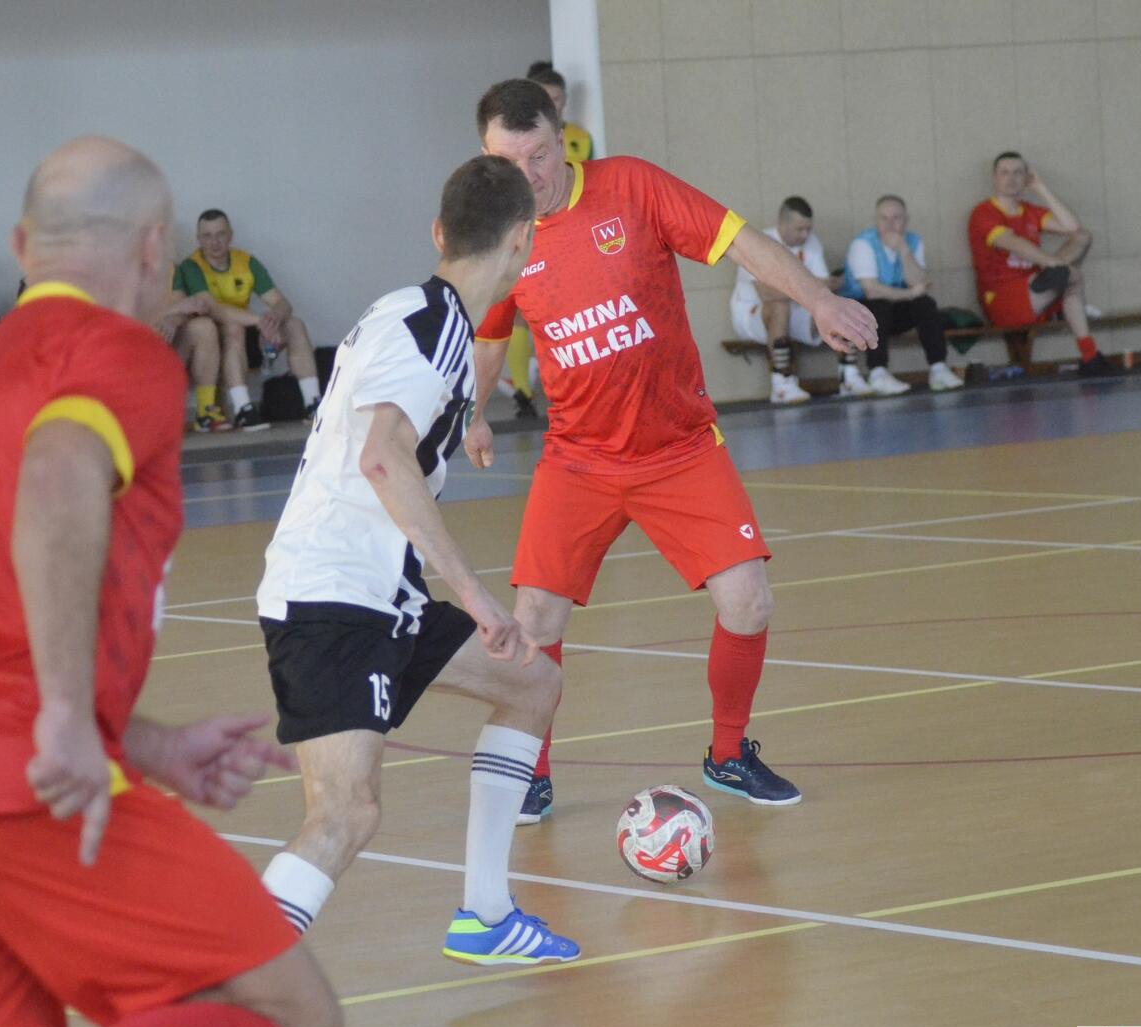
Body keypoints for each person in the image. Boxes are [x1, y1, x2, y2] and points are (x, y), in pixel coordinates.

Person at [0, 136, 341, 1027]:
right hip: (16, 780)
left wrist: (146, 745)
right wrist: (72, 720)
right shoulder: (115, 352)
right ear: (155, 250)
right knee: (290, 1018)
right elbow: (58, 472)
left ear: (21, 247)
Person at [468, 80, 878, 823]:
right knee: (536, 621)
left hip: (680, 448)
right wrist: (475, 414)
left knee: (748, 602)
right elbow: (490, 337)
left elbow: (741, 241)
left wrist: (818, 300)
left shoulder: (632, 187)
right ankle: (531, 770)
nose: (527, 175)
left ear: (562, 137)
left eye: (538, 155)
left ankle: (728, 754)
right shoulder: (503, 234)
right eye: (507, 161)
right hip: (578, 460)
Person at [256, 155, 579, 966]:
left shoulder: (420, 313)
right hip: (332, 597)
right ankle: (229, 992)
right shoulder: (433, 330)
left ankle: (487, 914)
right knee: (345, 816)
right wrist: (476, 596)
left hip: (378, 592)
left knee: (533, 684)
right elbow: (382, 458)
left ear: (440, 233)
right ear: (522, 240)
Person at [497, 62, 598, 421]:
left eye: (558, 98)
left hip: (574, 231)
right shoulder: (512, 141)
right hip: (532, 229)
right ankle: (522, 392)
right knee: (520, 313)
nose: (553, 104)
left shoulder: (580, 139)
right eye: (546, 98)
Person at [968, 152, 1121, 377]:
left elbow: (1072, 227)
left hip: (1034, 288)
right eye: (1005, 173)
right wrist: (1052, 263)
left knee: (1082, 238)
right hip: (1002, 300)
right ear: (995, 178)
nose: (1011, 178)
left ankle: (1087, 352)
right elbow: (1013, 243)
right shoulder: (983, 213)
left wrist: (1040, 188)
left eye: (1018, 173)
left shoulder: (1030, 210)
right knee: (1072, 277)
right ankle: (1088, 352)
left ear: (1026, 177)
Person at [168, 209, 322, 431]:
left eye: (220, 234)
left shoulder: (246, 262)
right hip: (215, 339)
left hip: (248, 331)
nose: (214, 242)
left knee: (294, 324)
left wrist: (275, 317)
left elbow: (282, 302)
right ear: (198, 239)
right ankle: (244, 409)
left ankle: (313, 404)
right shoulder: (191, 267)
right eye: (207, 236)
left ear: (230, 235)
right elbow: (215, 310)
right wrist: (261, 322)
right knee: (233, 327)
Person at [840, 195, 964, 392]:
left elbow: (919, 282)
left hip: (894, 313)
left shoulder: (913, 241)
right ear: (875, 220)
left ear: (906, 220)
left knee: (925, 304)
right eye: (884, 218)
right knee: (879, 305)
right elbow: (871, 290)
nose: (889, 224)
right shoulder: (863, 244)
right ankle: (878, 372)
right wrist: (910, 294)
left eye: (896, 218)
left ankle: (938, 368)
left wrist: (904, 250)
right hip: (861, 316)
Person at [728, 195, 836, 404]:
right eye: (799, 229)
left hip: (793, 308)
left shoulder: (811, 242)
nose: (805, 235)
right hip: (752, 314)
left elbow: (825, 289)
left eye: (808, 229)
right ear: (781, 223)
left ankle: (849, 376)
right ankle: (781, 383)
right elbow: (767, 294)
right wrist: (811, 287)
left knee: (836, 306)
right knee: (779, 305)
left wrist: (821, 288)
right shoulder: (758, 243)